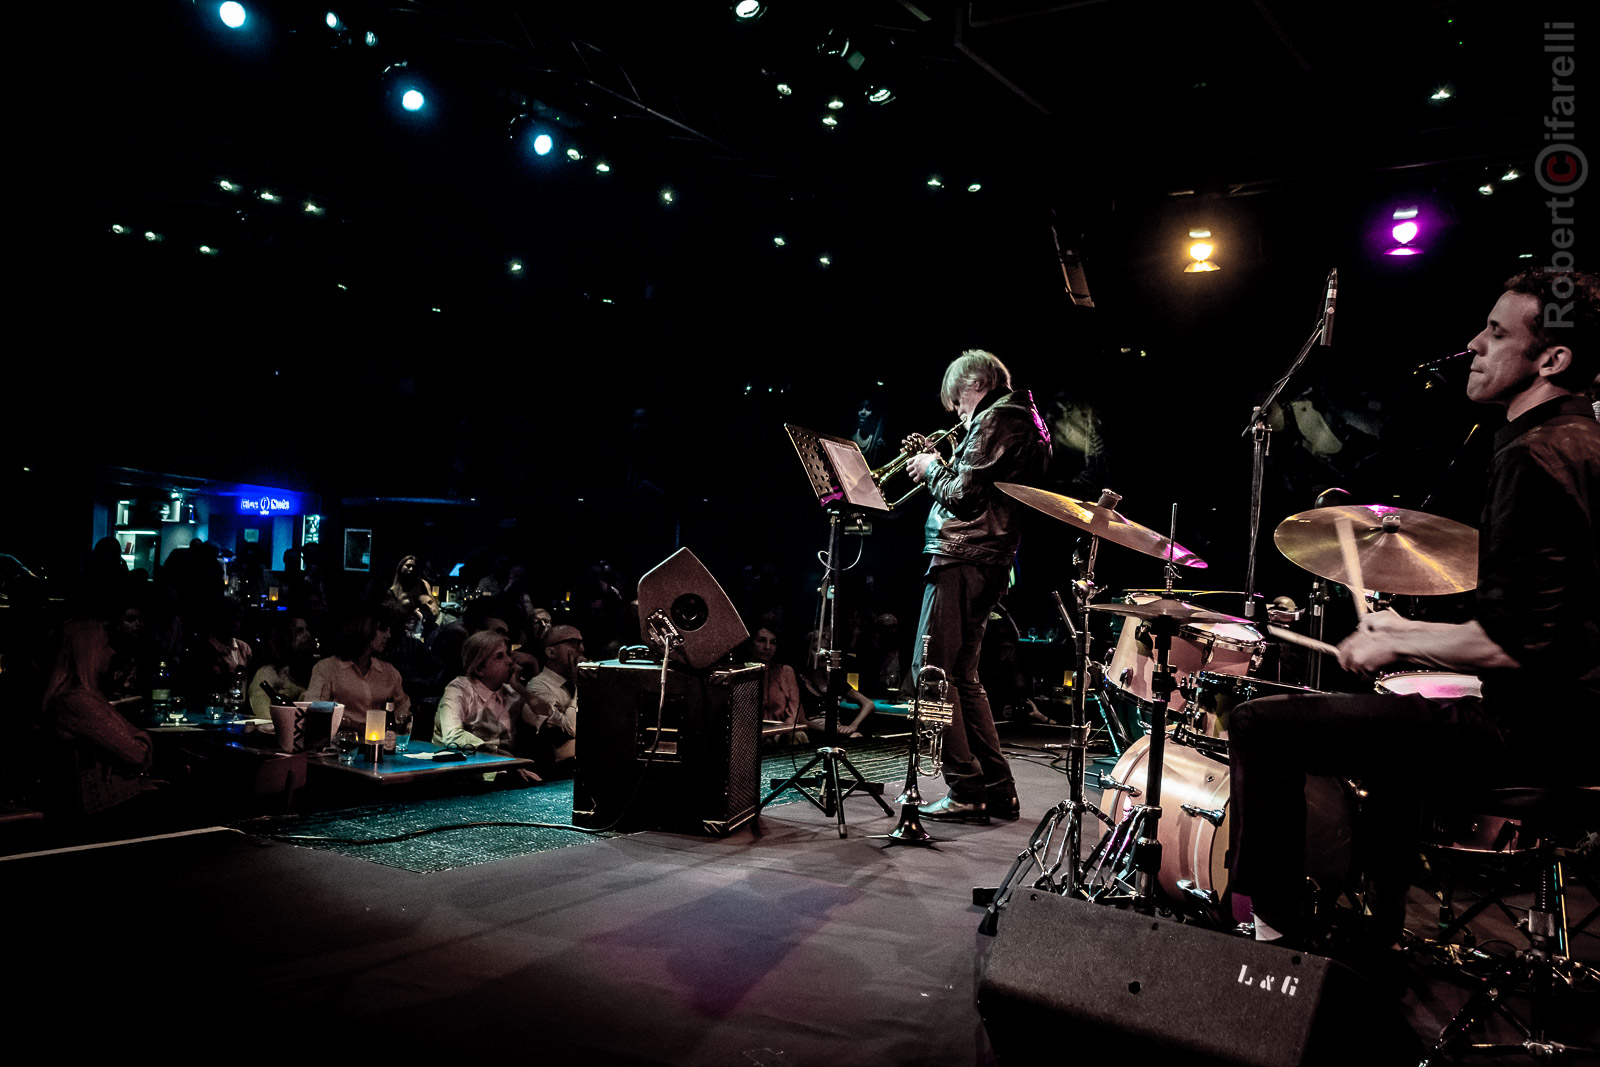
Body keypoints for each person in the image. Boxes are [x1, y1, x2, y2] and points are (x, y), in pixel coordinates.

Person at [1228, 269, 1600, 957]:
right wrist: (1404, 631)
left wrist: (1397, 642)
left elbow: (1514, 644)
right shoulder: (1583, 443)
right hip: (1579, 721)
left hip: (1533, 733)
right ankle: (1376, 929)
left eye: (1495, 332)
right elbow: (1550, 623)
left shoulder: (1536, 456)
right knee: (1397, 738)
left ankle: (1275, 942)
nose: (1474, 344)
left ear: (1552, 360)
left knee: (1261, 725)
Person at [902, 349, 1051, 823]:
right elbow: (983, 487)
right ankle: (995, 788)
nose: (959, 415)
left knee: (930, 673)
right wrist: (948, 459)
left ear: (972, 386)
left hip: (962, 555)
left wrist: (931, 470)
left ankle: (964, 785)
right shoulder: (1024, 419)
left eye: (959, 405)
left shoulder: (996, 418)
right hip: (988, 559)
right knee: (963, 677)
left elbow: (962, 497)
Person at [38, 618, 155, 814]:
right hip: (108, 806)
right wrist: (143, 738)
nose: (112, 652)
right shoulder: (76, 702)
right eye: (105, 645)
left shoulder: (82, 699)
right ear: (87, 652)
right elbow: (137, 754)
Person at [434, 630, 537, 775]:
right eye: (499, 657)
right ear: (479, 668)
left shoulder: (512, 693)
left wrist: (524, 683)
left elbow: (544, 719)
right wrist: (495, 752)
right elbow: (452, 735)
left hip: (505, 770)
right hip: (462, 771)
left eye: (508, 654)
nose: (510, 661)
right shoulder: (459, 689)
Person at [304, 607, 411, 730]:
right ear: (363, 629)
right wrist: (350, 725)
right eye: (382, 629)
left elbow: (402, 711)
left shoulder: (389, 672)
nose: (388, 635)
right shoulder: (327, 668)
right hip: (340, 743)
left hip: (378, 742)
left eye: (389, 630)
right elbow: (313, 709)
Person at [520, 623, 584, 773]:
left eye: (581, 643)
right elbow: (571, 729)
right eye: (573, 643)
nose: (581, 649)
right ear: (551, 652)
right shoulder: (539, 687)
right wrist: (580, 688)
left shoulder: (574, 684)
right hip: (562, 771)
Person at [248, 614, 317, 718]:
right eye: (299, 631)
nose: (307, 635)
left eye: (307, 629)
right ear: (285, 637)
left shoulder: (316, 669)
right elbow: (264, 714)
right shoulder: (268, 673)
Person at [749, 621, 804, 743]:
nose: (767, 647)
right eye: (762, 640)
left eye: (773, 642)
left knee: (797, 735)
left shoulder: (785, 671)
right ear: (751, 643)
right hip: (752, 734)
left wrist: (781, 732)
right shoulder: (743, 673)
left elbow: (794, 711)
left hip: (782, 732)